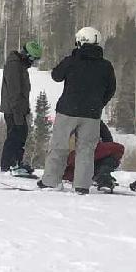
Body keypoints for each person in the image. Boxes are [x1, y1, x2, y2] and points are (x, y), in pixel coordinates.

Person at [39, 28, 115, 194]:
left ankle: (51, 181)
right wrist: (98, 104)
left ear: (81, 41)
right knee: (86, 150)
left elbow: (56, 75)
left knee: (59, 146)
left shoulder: (72, 60)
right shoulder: (106, 66)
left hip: (68, 110)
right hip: (92, 114)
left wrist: (72, 58)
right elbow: (111, 89)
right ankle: (81, 185)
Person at [0, 39, 43, 175]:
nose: (33, 63)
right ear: (28, 56)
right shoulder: (14, 66)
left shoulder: (19, 65)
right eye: (33, 59)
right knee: (15, 135)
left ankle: (16, 162)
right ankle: (10, 165)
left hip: (18, 109)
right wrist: (18, 113)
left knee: (20, 135)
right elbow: (15, 91)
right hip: (13, 109)